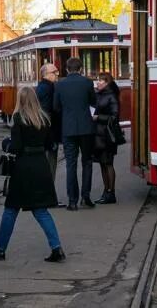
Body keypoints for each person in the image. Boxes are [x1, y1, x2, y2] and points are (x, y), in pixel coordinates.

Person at [0, 86, 65, 263]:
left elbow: (16, 147)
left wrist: (6, 143)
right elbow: (51, 144)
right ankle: (56, 247)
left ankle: (0, 248)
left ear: (20, 100)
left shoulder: (19, 118)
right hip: (40, 166)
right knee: (41, 210)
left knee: (11, 209)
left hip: (23, 168)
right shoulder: (44, 119)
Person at [53, 57, 97, 211]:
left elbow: (56, 107)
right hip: (86, 128)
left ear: (66, 69)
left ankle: (72, 201)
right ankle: (86, 197)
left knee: (70, 165)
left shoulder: (59, 85)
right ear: (81, 69)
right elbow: (94, 102)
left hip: (68, 129)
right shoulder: (87, 83)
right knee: (87, 162)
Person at [92, 72, 120, 204]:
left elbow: (114, 116)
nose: (98, 82)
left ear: (107, 83)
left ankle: (111, 192)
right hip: (98, 135)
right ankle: (106, 191)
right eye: (98, 80)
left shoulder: (111, 96)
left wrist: (98, 117)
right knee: (102, 163)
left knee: (108, 163)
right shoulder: (98, 95)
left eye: (101, 80)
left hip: (107, 135)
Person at [35, 63, 61, 185]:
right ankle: (49, 196)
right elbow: (47, 113)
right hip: (49, 134)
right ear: (46, 74)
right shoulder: (49, 88)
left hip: (44, 134)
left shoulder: (41, 87)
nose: (57, 74)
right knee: (50, 165)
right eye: (54, 72)